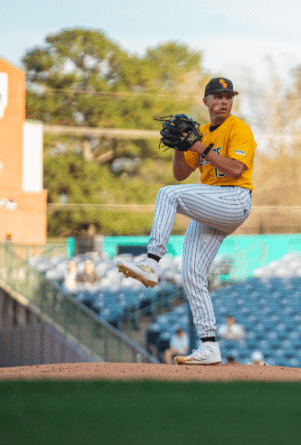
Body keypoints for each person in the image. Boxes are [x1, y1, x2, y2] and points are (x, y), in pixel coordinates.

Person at [116, 77, 256, 366]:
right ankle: (208, 345)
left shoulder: (238, 129)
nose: (224, 101)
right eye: (217, 96)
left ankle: (152, 262)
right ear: (206, 102)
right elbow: (181, 174)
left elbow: (234, 169)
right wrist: (182, 145)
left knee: (167, 195)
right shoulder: (201, 132)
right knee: (192, 275)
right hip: (211, 204)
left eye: (228, 95)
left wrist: (200, 148)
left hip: (234, 199)